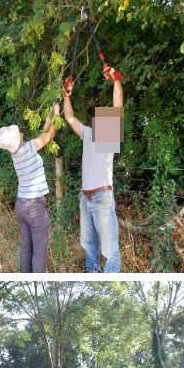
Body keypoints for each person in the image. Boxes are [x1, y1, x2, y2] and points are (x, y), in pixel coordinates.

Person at [63, 70, 123, 272]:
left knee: (110, 251)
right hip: (85, 198)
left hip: (102, 197)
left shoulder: (110, 135)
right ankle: (92, 273)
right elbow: (69, 117)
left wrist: (116, 81)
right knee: (89, 247)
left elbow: (118, 106)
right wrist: (66, 96)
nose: (104, 118)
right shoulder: (88, 133)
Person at [0, 109, 58, 272]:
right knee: (39, 252)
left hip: (21, 206)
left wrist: (49, 116)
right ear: (18, 138)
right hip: (34, 207)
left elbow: (41, 136)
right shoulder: (30, 147)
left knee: (26, 247)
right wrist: (57, 115)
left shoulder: (17, 153)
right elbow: (49, 134)